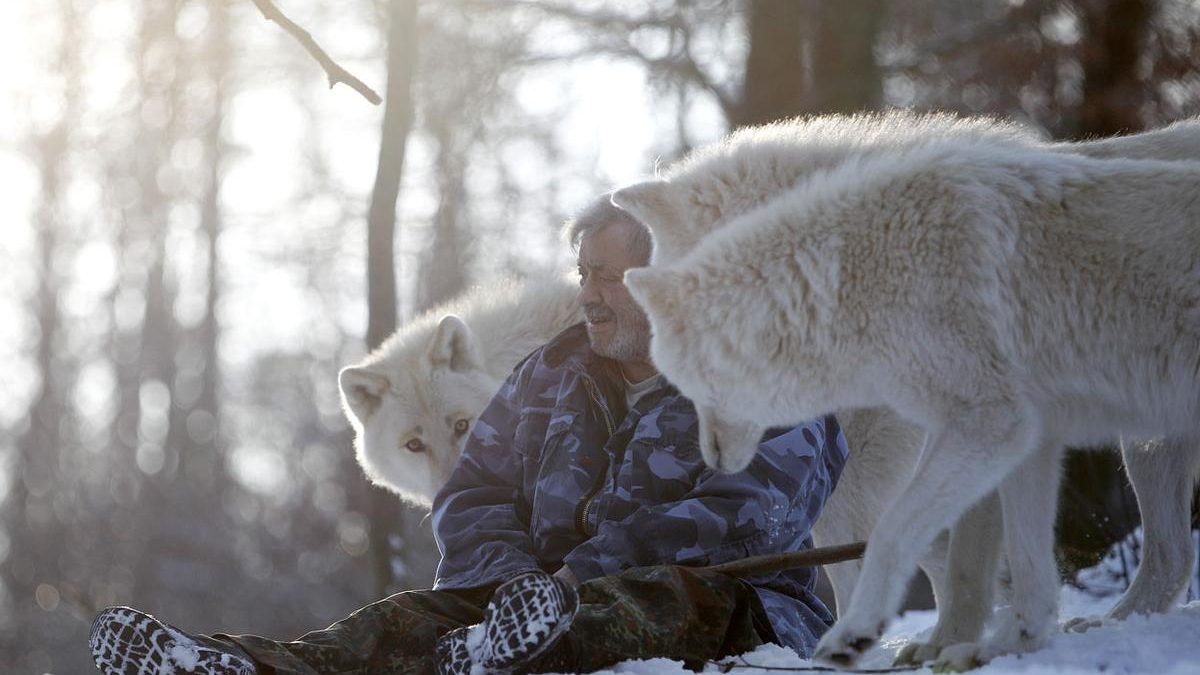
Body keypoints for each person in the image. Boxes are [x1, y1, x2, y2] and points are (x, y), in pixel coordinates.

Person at [89, 195, 848, 675]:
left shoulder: (764, 370)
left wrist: (571, 581)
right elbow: (474, 489)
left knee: (651, 603)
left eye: (610, 277)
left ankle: (503, 650)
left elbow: (742, 519)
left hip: (734, 607)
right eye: (584, 272)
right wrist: (509, 581)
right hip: (535, 599)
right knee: (400, 621)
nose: (588, 295)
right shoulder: (550, 374)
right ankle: (241, 665)